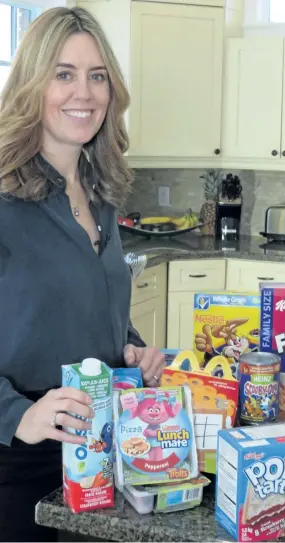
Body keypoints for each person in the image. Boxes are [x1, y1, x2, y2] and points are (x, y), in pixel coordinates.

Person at [0, 7, 165, 542]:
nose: (85, 93)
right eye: (64, 74)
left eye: (98, 77)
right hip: (19, 471)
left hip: (103, 455)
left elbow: (89, 305)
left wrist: (133, 350)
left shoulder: (101, 194)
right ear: (31, 85)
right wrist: (14, 415)